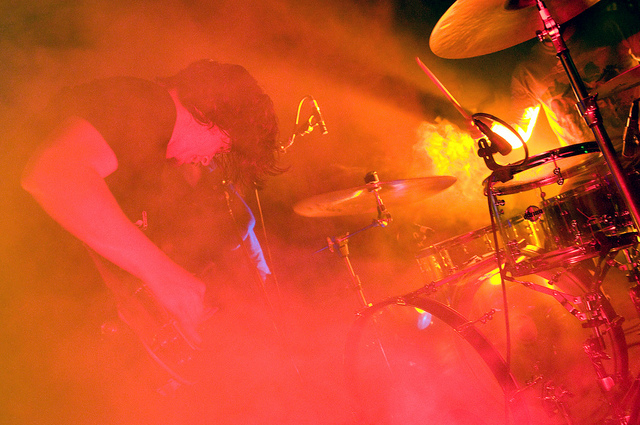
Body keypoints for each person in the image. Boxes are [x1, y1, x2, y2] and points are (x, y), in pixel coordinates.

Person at [19, 59, 282, 347]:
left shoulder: (153, 153)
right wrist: (164, 275)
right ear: (209, 110)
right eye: (220, 146)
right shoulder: (148, 104)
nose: (208, 159)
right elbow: (52, 173)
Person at [510, 0, 640, 151]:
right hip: (589, 162)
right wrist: (490, 134)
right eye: (533, 9)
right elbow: (518, 134)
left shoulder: (614, 25)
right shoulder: (527, 71)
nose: (541, 13)